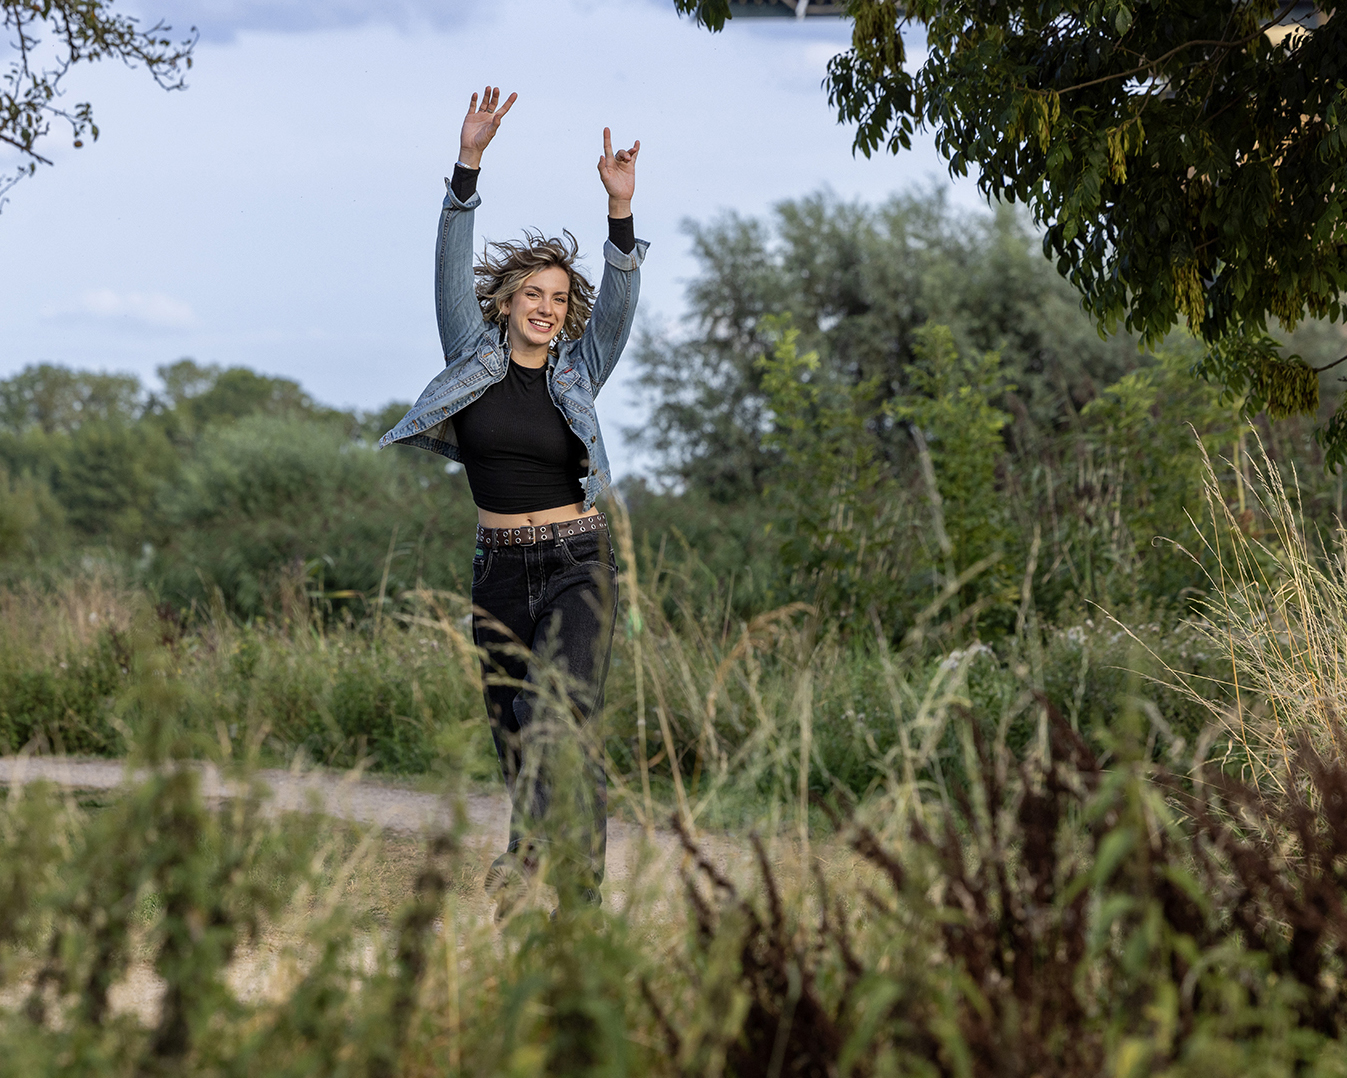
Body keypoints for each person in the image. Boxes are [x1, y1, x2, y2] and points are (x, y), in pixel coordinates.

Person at [380, 87, 646, 913]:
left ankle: (574, 894)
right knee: (515, 730)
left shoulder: (580, 371)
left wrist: (619, 212)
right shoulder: (469, 352)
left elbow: (621, 305)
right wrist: (467, 164)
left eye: (558, 299)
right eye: (533, 294)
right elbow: (447, 263)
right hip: (496, 570)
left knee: (556, 713)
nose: (545, 308)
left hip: (577, 562)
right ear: (505, 303)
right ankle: (535, 855)